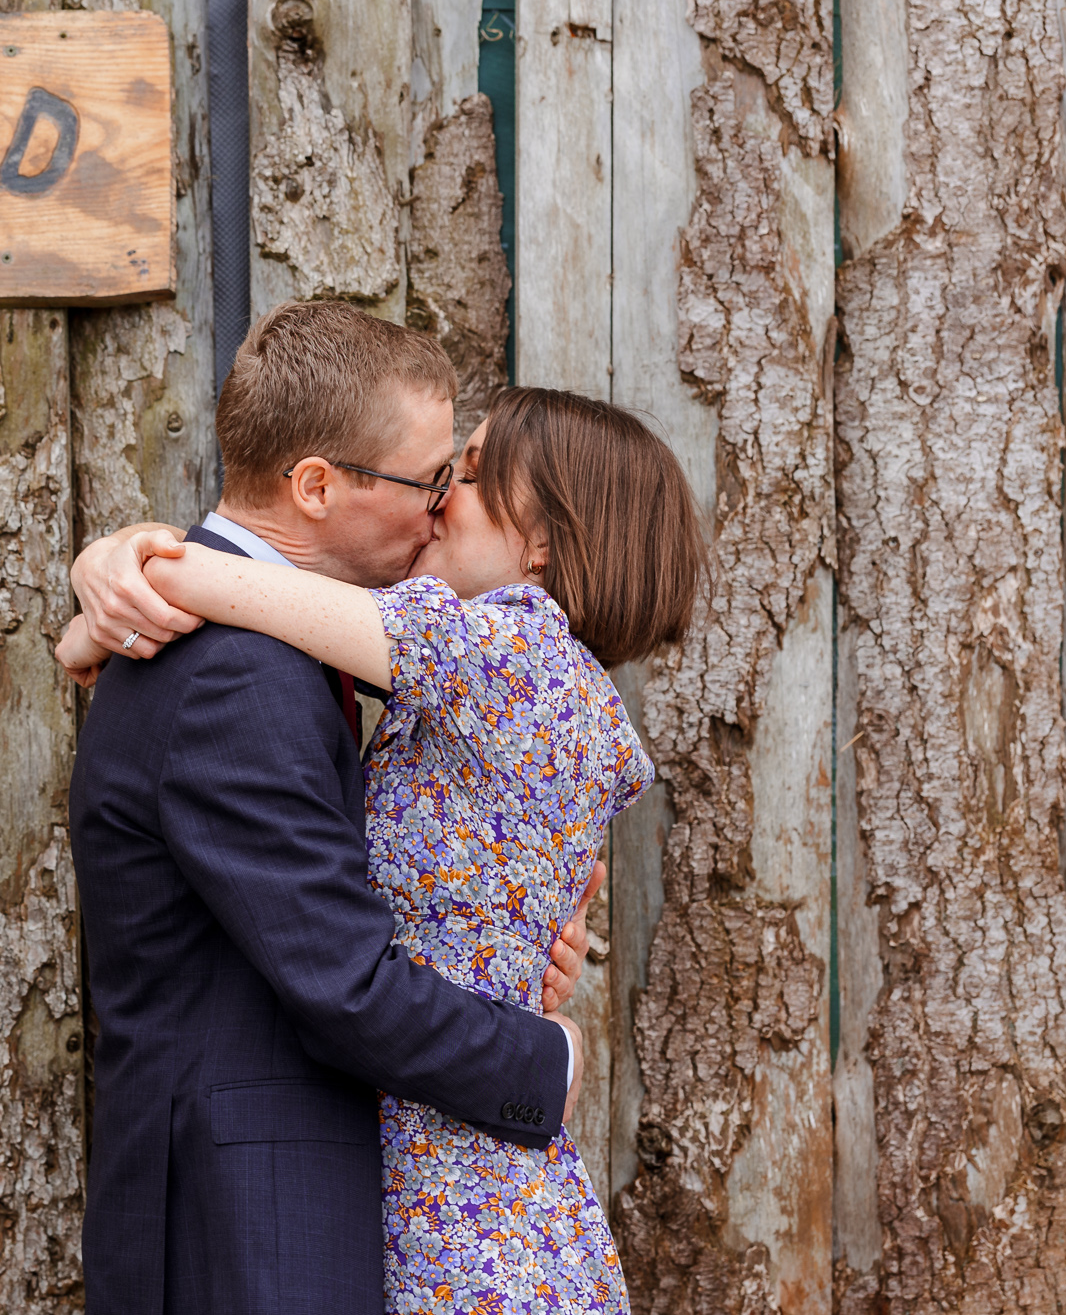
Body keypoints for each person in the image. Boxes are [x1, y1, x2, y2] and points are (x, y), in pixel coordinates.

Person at [63, 380, 705, 1313]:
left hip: (475, 1219)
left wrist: (115, 587)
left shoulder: (514, 652)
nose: (442, 494)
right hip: (433, 1169)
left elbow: (238, 583)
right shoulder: (470, 681)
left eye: (474, 475)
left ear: (545, 541)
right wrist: (105, 576)